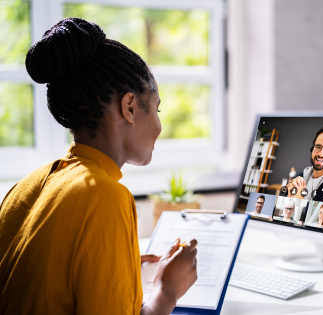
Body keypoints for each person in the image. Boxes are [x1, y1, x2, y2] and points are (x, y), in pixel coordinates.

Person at [0, 18, 197, 315]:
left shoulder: (28, 184)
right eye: (156, 109)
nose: (159, 126)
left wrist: (116, 264)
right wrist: (166, 291)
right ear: (129, 107)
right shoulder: (105, 196)